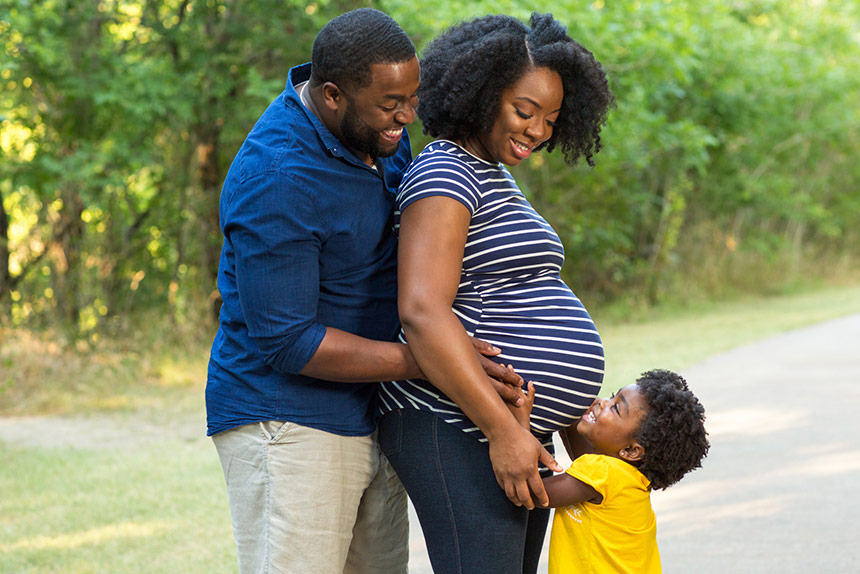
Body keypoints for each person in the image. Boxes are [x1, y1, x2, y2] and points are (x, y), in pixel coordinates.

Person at [205, 9, 522, 574]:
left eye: (413, 96)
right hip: (288, 421)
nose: (407, 116)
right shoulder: (277, 177)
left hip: (373, 409)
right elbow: (289, 342)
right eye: (390, 103)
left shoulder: (378, 132)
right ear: (332, 95)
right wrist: (429, 358)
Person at [377, 12, 615, 574]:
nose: (537, 130)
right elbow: (422, 311)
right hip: (457, 423)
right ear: (481, 95)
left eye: (551, 118)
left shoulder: (490, 174)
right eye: (524, 111)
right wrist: (503, 431)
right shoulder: (446, 172)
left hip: (507, 427)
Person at [509, 370, 709, 574]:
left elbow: (530, 490)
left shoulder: (603, 473)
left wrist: (520, 427)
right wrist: (569, 407)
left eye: (616, 408)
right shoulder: (627, 478)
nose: (603, 402)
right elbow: (582, 456)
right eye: (613, 395)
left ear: (631, 451)